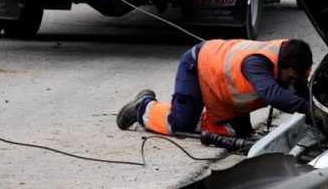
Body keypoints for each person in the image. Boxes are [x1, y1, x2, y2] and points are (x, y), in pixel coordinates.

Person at [116, 38, 313, 137]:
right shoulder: (257, 63)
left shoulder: (293, 57)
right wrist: (310, 110)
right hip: (198, 66)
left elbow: (301, 88)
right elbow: (273, 95)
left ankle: (197, 115)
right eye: (289, 77)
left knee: (239, 133)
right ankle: (143, 106)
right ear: (281, 65)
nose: (291, 83)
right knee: (179, 124)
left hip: (223, 89)